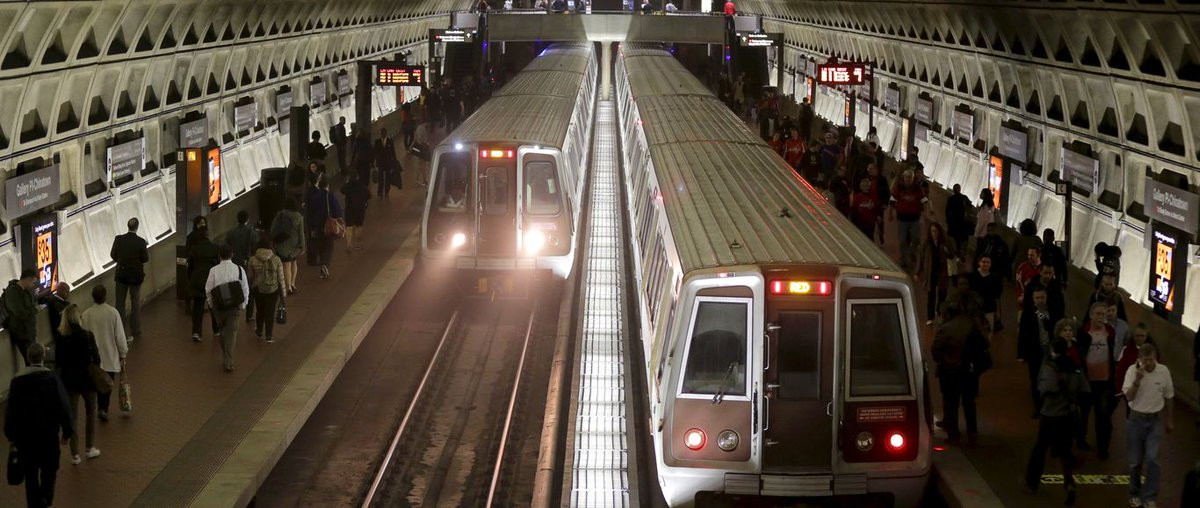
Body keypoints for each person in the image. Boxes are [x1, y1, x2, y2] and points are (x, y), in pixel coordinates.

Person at [4, 343, 73, 508]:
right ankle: (46, 497)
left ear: (28, 358)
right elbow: (63, 406)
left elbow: (11, 411)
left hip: (25, 439)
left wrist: (11, 435)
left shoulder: (17, 382)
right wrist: (67, 431)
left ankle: (34, 503)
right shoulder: (52, 379)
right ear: (43, 357)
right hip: (48, 436)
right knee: (50, 469)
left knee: (30, 474)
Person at [1023, 339, 1089, 505]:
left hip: (1050, 415)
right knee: (1065, 452)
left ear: (1052, 350)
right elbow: (1085, 389)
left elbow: (1045, 389)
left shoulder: (1051, 367)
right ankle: (1069, 484)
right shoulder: (1075, 367)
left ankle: (1032, 483)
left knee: (1040, 448)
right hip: (1067, 416)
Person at [1123, 343, 1174, 508]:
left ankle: (1150, 496)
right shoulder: (1132, 371)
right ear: (1139, 360)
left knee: (1153, 458)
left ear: (1156, 358)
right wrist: (1137, 380)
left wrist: (1169, 419)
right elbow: (1129, 397)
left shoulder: (1164, 371)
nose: (1149, 364)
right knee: (1135, 461)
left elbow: (1169, 396)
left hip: (1155, 420)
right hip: (1136, 419)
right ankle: (1134, 493)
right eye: (1145, 360)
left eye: (1151, 360)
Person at [931, 301, 989, 443]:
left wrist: (942, 360)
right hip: (970, 370)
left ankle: (953, 433)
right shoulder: (972, 324)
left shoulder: (946, 328)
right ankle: (972, 431)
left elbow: (936, 349)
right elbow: (985, 343)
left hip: (950, 370)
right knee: (969, 402)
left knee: (951, 402)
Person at [55, 304, 101, 465]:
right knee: (90, 412)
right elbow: (97, 359)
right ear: (78, 318)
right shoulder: (87, 336)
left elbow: (58, 362)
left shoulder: (61, 338)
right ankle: (90, 448)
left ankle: (75, 455)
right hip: (88, 380)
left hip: (70, 382)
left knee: (72, 416)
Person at [79, 286, 126, 423]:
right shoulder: (113, 313)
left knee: (95, 384)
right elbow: (120, 336)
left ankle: (94, 408)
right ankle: (103, 408)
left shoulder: (86, 315)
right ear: (105, 296)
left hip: (92, 359)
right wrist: (123, 353)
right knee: (107, 384)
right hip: (109, 356)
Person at [1077, 300, 1117, 458]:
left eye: (1104, 314)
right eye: (1098, 314)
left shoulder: (1110, 332)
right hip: (1087, 381)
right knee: (1084, 413)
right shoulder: (1084, 331)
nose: (1101, 317)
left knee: (1103, 416)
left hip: (1105, 381)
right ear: (1091, 315)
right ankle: (1080, 439)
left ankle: (1103, 448)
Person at [205, 244, 250, 372]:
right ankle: (228, 359)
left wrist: (211, 304)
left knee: (224, 332)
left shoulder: (213, 270)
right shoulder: (240, 269)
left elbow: (208, 289)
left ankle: (227, 360)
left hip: (219, 307)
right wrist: (243, 304)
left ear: (220, 255)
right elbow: (245, 288)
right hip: (235, 308)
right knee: (231, 333)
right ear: (232, 254)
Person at [1018, 287, 1057, 417]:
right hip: (1035, 350)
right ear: (1033, 299)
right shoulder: (1029, 313)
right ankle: (1038, 407)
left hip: (1050, 350)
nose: (1040, 300)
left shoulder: (1052, 311)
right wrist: (1021, 354)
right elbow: (1023, 334)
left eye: (1042, 297)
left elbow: (1051, 325)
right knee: (1035, 379)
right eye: (1037, 298)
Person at [110, 218, 148, 342]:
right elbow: (145, 258)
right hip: (135, 277)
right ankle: (135, 328)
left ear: (128, 226)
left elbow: (113, 255)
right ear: (137, 227)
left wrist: (121, 262)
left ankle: (120, 329)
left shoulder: (119, 239)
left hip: (121, 275)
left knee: (120, 303)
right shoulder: (141, 242)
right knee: (135, 302)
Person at [915, 222, 957, 325]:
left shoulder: (945, 243)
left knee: (942, 294)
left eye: (936, 231)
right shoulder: (926, 244)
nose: (934, 233)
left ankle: (939, 311)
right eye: (933, 231)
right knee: (931, 296)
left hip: (942, 272)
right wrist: (917, 272)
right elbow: (920, 259)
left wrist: (948, 251)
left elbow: (952, 255)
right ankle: (930, 317)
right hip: (931, 273)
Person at [185, 223, 220, 342]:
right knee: (213, 306)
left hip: (197, 279)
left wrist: (191, 278)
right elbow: (218, 264)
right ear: (208, 235)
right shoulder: (215, 247)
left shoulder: (194, 249)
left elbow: (189, 265)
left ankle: (196, 332)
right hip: (211, 279)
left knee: (198, 308)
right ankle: (216, 329)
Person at [247, 239, 286, 343]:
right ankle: (269, 336)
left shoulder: (252, 259)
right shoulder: (276, 259)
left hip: (258, 288)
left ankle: (259, 330)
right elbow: (281, 277)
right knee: (270, 311)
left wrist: (250, 287)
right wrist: (283, 292)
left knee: (260, 310)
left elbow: (250, 276)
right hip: (273, 289)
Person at [305, 176, 344, 279]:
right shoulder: (330, 196)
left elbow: (310, 213)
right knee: (329, 246)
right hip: (329, 225)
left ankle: (322, 264)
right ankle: (325, 265)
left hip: (318, 226)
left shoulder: (314, 197)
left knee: (321, 246)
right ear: (327, 185)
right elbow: (337, 211)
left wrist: (312, 227)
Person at [226, 211, 258, 322]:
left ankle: (233, 311)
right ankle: (249, 315)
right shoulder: (251, 232)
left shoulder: (231, 233)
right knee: (249, 289)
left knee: (233, 286)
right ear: (247, 219)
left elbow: (226, 247)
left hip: (234, 263)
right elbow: (256, 247)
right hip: (246, 263)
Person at [3, 269, 40, 365]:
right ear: (28, 279)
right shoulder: (12, 292)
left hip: (29, 332)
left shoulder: (26, 291)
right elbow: (19, 313)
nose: (33, 285)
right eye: (33, 282)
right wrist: (34, 310)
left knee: (34, 360)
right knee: (31, 361)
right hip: (22, 334)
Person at [270, 198, 306, 295]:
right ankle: (293, 284)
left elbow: (273, 228)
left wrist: (274, 240)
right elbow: (301, 233)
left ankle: (288, 286)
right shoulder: (298, 216)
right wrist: (302, 246)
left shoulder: (280, 214)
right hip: (294, 244)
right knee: (294, 262)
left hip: (281, 243)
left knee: (286, 265)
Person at [1115, 323, 1155, 398]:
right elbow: (1120, 369)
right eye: (1137, 336)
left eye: (1142, 336)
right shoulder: (1126, 350)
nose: (1139, 338)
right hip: (1130, 387)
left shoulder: (1153, 351)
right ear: (1133, 336)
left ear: (1146, 336)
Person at [967, 255, 1003, 333]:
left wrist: (997, 312)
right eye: (983, 262)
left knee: (988, 332)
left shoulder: (995, 278)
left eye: (988, 262)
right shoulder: (972, 276)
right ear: (979, 263)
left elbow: (997, 296)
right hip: (975, 309)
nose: (985, 264)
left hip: (989, 309)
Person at [341, 172, 370, 251]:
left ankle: (349, 244)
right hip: (360, 209)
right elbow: (369, 195)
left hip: (350, 208)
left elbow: (342, 190)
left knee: (349, 227)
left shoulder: (348, 185)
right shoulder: (361, 185)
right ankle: (359, 244)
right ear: (357, 176)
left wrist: (347, 183)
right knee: (359, 226)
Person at [944, 184, 973, 250]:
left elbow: (947, 211)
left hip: (953, 223)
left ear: (953, 190)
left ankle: (956, 253)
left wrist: (948, 221)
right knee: (962, 240)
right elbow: (970, 206)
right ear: (960, 189)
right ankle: (961, 253)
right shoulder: (964, 198)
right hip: (963, 223)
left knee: (955, 240)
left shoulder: (950, 199)